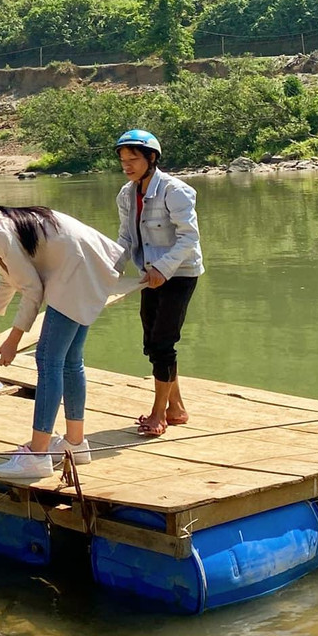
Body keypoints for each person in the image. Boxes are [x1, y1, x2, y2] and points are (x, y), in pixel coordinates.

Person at [0, 183, 127, 482]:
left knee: (47, 359)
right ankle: (75, 443)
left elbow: (32, 290)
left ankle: (38, 455)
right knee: (69, 360)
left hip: (75, 270)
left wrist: (12, 341)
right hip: (86, 264)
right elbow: (9, 280)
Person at [114, 130, 204, 437]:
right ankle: (176, 409)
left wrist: (164, 269)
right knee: (152, 342)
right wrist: (110, 270)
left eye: (133, 159)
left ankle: (158, 414)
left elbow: (189, 239)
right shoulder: (126, 194)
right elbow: (126, 238)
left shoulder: (175, 191)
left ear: (151, 158)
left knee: (164, 341)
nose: (127, 166)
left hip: (179, 273)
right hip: (149, 275)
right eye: (123, 160)